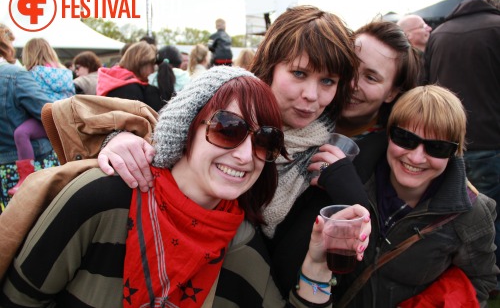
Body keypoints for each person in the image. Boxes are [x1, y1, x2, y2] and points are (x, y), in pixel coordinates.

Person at [0, 66, 371, 308]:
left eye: (264, 139)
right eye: (228, 128)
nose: (245, 155)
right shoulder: (103, 197)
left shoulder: (239, 240)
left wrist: (317, 266)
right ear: (187, 128)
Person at [84, 5, 362, 298]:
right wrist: (116, 138)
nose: (311, 94)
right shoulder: (217, 106)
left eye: (327, 81)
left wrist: (353, 197)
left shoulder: (331, 162)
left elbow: (342, 272)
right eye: (299, 73)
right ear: (270, 66)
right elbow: (154, 135)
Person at [318, 85, 498, 307]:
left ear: (454, 152)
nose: (416, 157)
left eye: (437, 148)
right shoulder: (353, 178)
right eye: (405, 138)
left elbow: (480, 281)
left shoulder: (471, 214)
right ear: (389, 134)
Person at [424, 0, 500, 291]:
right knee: (487, 213)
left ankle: (458, 274)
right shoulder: (496, 28)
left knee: (454, 210)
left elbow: (425, 84)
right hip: (489, 139)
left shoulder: (440, 33)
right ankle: (488, 277)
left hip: (446, 141)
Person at [6, 38, 74, 197]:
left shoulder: (32, 74)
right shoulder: (64, 72)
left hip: (48, 118)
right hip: (63, 117)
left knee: (21, 133)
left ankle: (25, 177)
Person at [335, 20, 420, 140]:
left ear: (392, 93)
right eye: (349, 67)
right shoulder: (304, 110)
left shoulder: (394, 151)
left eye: (370, 78)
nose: (351, 84)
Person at [0, 29, 55, 208]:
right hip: (29, 164)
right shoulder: (13, 75)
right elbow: (48, 113)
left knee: (11, 228)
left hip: (7, 167)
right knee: (39, 225)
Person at [96, 41, 163, 111]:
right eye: (152, 63)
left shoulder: (112, 79)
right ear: (143, 63)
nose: (153, 68)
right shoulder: (132, 89)